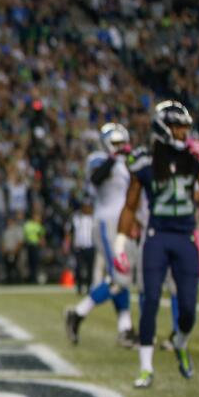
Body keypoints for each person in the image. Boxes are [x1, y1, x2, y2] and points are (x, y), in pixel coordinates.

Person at [115, 100, 199, 388]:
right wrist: (120, 244)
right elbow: (129, 205)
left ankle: (180, 342)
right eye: (178, 128)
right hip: (157, 236)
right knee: (149, 300)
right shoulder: (144, 161)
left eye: (186, 128)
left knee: (188, 309)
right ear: (164, 129)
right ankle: (146, 368)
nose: (184, 134)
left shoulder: (192, 157)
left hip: (185, 237)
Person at [65, 123, 137, 346]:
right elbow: (96, 178)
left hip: (123, 223)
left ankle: (125, 329)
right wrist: (114, 156)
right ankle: (78, 313)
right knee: (118, 276)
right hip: (106, 222)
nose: (120, 147)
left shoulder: (126, 163)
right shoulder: (98, 158)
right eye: (115, 143)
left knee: (121, 278)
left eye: (121, 143)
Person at [67, 199, 96, 296]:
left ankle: (88, 288)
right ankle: (79, 288)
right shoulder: (76, 218)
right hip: (79, 247)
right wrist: (68, 243)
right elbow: (70, 231)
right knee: (78, 268)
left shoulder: (94, 218)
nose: (86, 208)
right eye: (85, 206)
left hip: (90, 246)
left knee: (90, 269)